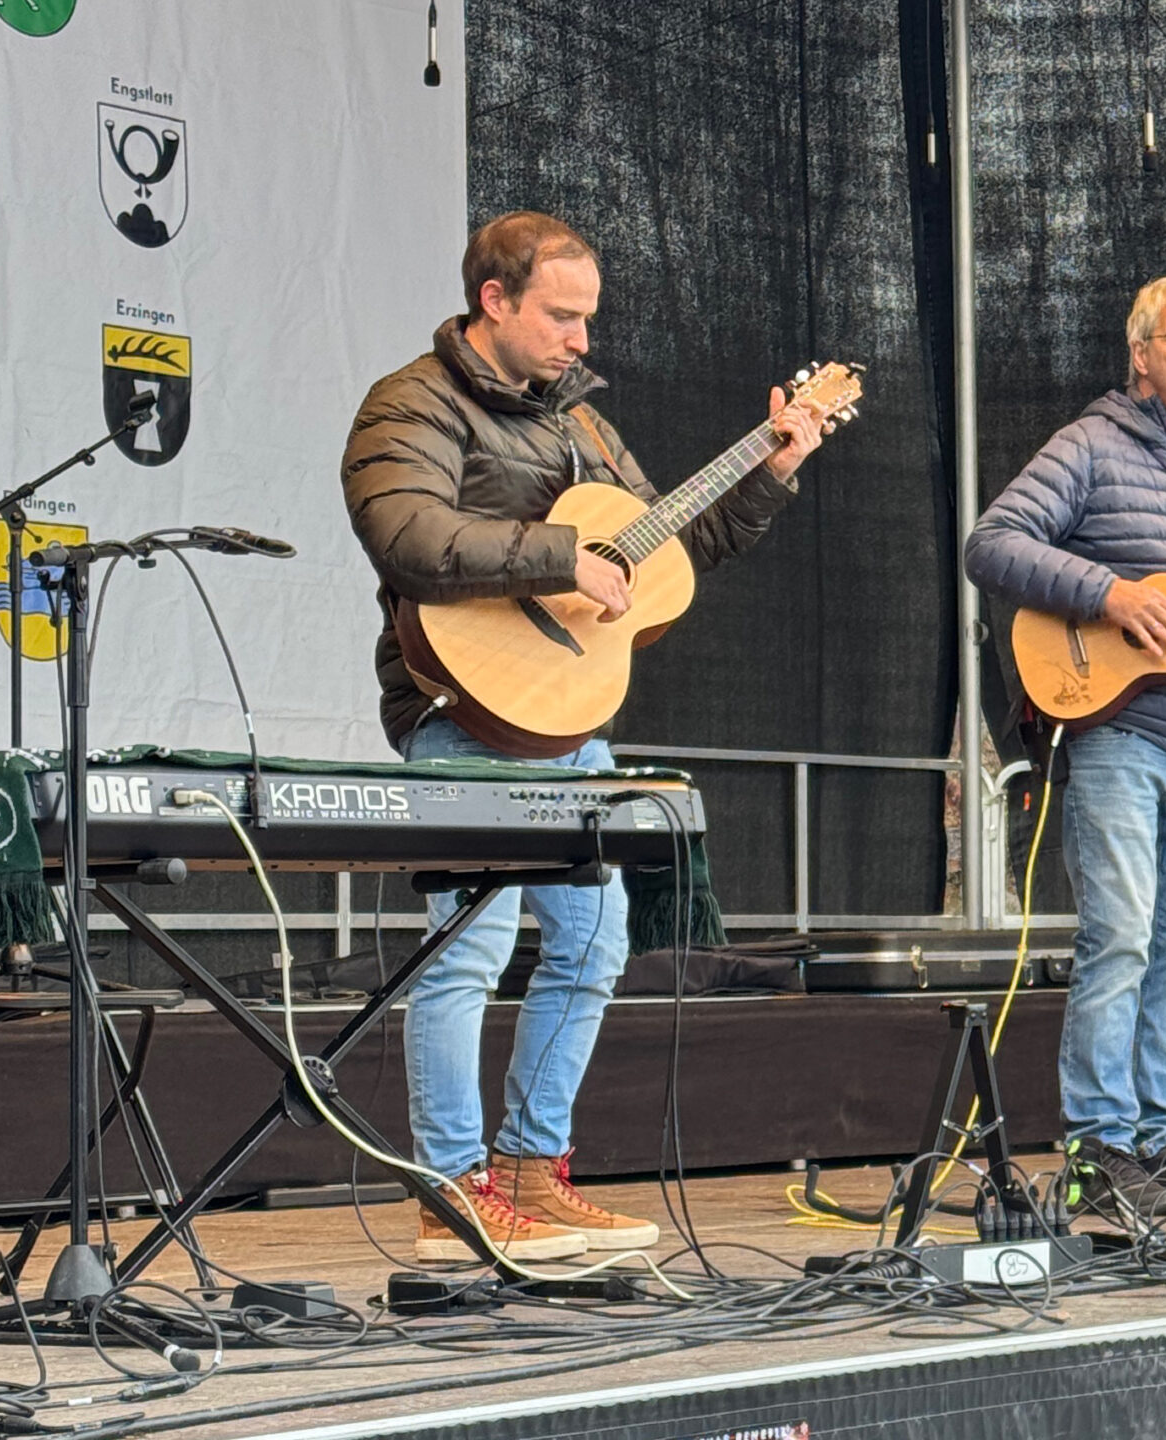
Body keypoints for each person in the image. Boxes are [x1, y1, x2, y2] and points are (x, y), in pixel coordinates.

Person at [342, 211, 830, 1261]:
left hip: (571, 719)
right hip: (464, 713)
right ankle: (452, 1191)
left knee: (593, 943)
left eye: (587, 320)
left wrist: (775, 467)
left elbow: (674, 540)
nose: (581, 340)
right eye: (562, 318)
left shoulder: (581, 424)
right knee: (466, 951)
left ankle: (530, 1169)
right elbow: (407, 535)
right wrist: (562, 555)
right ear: (494, 301)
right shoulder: (408, 403)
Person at [963, 276, 1166, 1216]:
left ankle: (1159, 1136)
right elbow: (992, 542)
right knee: (1120, 941)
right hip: (1116, 730)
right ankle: (1099, 1147)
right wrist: (1111, 594)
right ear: (1141, 353)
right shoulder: (1089, 443)